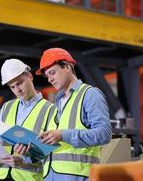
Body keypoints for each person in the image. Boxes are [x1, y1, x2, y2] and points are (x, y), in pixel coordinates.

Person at [36, 47, 112, 181]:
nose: (50, 79)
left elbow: (104, 134)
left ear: (67, 67)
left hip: (78, 176)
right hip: (50, 176)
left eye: (52, 73)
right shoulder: (56, 104)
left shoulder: (89, 94)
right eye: (47, 76)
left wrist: (63, 135)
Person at [0, 58, 57, 181]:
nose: (18, 90)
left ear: (30, 76)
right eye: (12, 87)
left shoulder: (50, 110)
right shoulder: (7, 107)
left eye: (20, 83)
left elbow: (52, 155)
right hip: (2, 176)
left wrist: (25, 159)